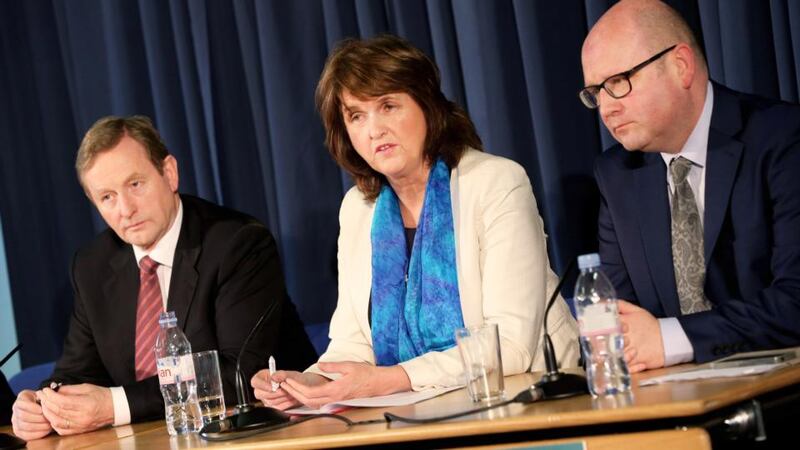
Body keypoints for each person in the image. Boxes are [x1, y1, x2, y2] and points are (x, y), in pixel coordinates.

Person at [252, 35, 579, 410]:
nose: (374, 130)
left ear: (427, 106)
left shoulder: (496, 183)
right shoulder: (358, 209)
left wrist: (390, 379)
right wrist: (309, 382)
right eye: (356, 116)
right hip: (413, 411)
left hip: (521, 404)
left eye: (388, 106)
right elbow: (353, 341)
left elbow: (511, 344)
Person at [10, 116, 317, 440]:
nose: (125, 209)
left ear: (169, 173)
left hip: (262, 434)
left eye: (135, 185)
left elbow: (236, 375)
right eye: (107, 197)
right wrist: (43, 404)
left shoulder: (237, 244)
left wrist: (114, 405)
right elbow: (76, 371)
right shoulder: (92, 266)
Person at [580, 0, 800, 373]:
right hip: (677, 399)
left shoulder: (782, 139)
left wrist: (670, 339)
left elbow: (795, 300)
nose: (606, 108)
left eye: (617, 82)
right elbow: (625, 321)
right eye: (595, 92)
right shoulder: (616, 175)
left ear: (681, 66)